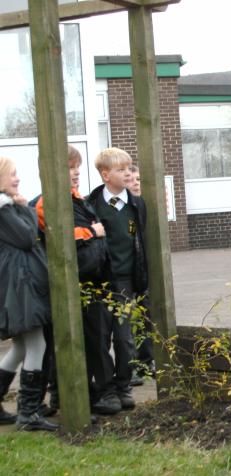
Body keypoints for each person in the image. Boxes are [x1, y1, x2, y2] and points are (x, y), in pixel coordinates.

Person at [34, 145, 115, 415]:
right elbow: (59, 234)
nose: (76, 172)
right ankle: (65, 394)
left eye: (77, 166)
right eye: (70, 167)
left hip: (90, 279)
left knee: (94, 337)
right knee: (70, 340)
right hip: (72, 282)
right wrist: (92, 232)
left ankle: (92, 391)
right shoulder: (48, 202)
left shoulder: (78, 199)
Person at [87, 147, 148, 411]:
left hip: (125, 281)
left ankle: (124, 384)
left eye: (128, 168)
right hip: (100, 281)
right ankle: (105, 388)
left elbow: (140, 240)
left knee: (124, 338)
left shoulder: (136, 205)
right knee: (100, 337)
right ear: (105, 175)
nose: (127, 174)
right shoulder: (92, 206)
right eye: (120, 170)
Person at [0, 156, 58, 431]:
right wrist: (28, 210)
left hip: (17, 285)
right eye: (11, 174)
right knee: (37, 345)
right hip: (21, 286)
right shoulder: (4, 210)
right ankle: (29, 412)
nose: (17, 179)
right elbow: (27, 238)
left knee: (21, 347)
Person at [124, 164, 154, 386]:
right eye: (131, 179)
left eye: (138, 179)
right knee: (127, 320)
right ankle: (131, 365)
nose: (135, 182)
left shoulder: (142, 206)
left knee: (146, 317)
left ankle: (147, 360)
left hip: (142, 270)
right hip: (126, 272)